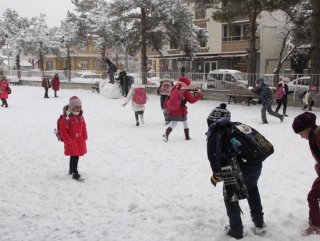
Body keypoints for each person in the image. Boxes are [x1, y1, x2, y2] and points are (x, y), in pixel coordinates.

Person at [207, 103, 265, 239]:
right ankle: (259, 223)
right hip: (255, 164)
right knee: (252, 189)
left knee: (231, 196)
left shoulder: (216, 132)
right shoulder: (237, 126)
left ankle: (236, 230)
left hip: (233, 167)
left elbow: (213, 156)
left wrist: (216, 174)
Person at [292, 112, 320, 235]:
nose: (301, 136)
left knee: (312, 196)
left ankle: (316, 226)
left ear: (308, 129)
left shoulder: (317, 137)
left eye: (301, 133)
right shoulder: (314, 135)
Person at [162, 76, 202, 142]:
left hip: (173, 108)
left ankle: (167, 133)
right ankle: (186, 136)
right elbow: (191, 100)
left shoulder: (174, 87)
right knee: (184, 122)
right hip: (181, 110)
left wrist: (166, 106)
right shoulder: (185, 90)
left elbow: (169, 97)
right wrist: (199, 94)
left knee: (176, 122)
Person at [59, 96, 88, 180]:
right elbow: (63, 130)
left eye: (80, 107)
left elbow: (84, 126)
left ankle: (71, 170)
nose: (78, 109)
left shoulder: (80, 116)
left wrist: (84, 135)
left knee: (75, 155)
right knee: (74, 155)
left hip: (79, 140)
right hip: (71, 140)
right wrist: (68, 140)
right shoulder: (67, 118)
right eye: (76, 107)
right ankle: (75, 172)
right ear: (71, 108)